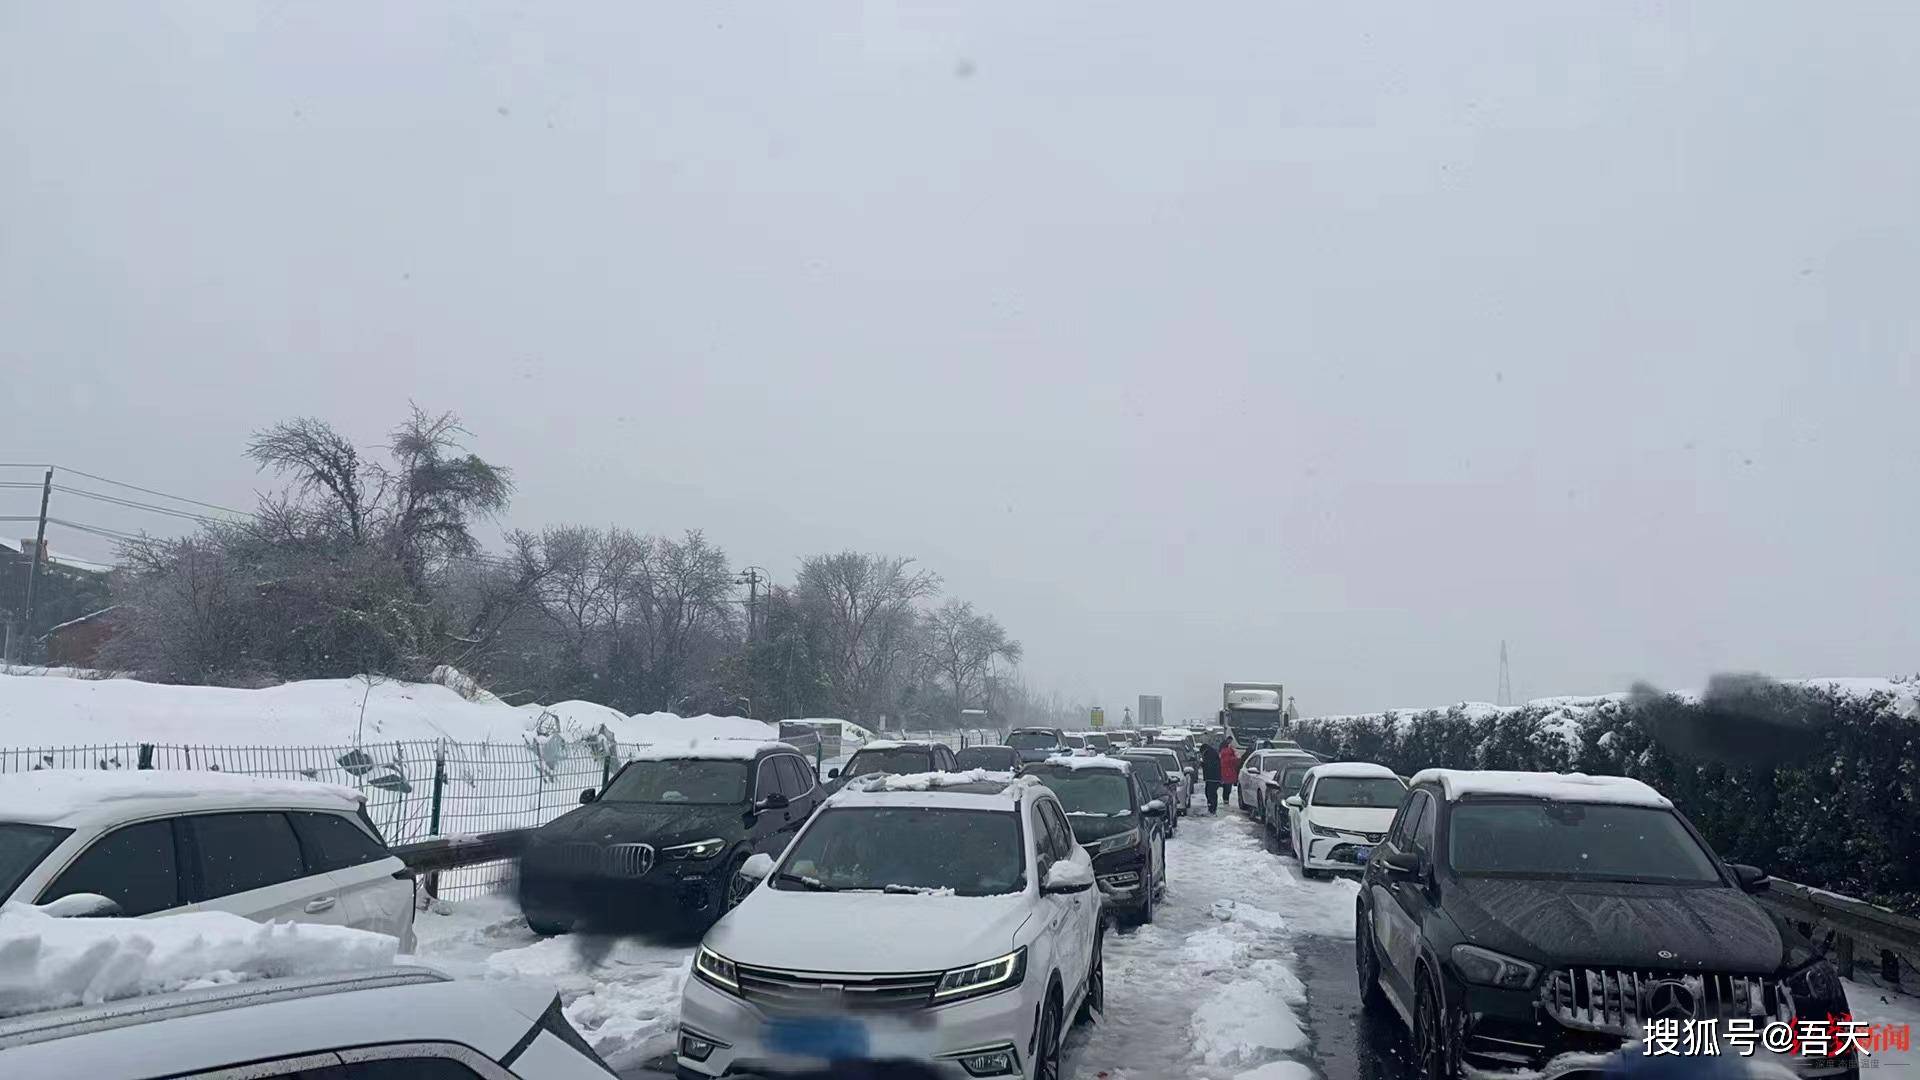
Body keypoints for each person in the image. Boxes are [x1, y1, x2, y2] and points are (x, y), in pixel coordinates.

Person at [1200, 739, 1222, 814]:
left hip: (1212, 778)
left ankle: (1212, 807)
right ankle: (1212, 807)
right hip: (1213, 778)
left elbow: (1210, 765)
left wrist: (1203, 764)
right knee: (1210, 792)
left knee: (1210, 793)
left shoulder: (1209, 754)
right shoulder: (1212, 752)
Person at [1219, 740, 1240, 808]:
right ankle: (1226, 799)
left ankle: (1225, 799)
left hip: (1223, 772)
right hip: (1230, 772)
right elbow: (1236, 760)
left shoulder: (1222, 753)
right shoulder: (1231, 753)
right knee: (1228, 787)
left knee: (1225, 786)